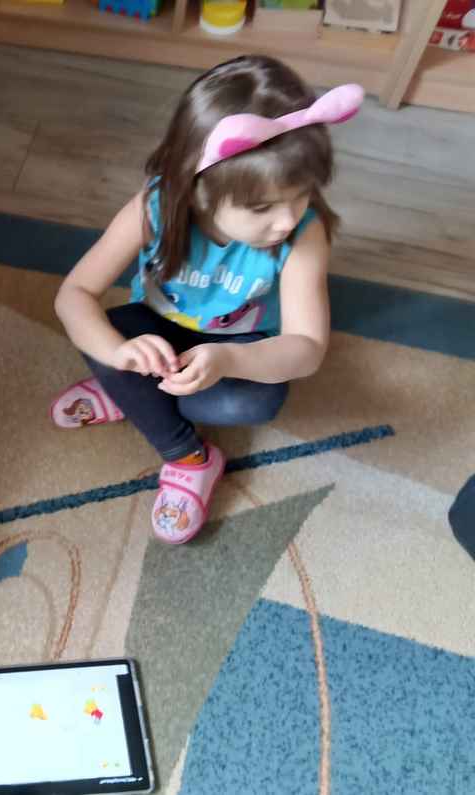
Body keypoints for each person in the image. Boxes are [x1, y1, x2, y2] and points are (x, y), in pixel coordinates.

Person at [52, 56, 364, 543]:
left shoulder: (304, 234)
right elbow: (74, 296)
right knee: (101, 335)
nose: (287, 220)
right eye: (262, 207)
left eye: (301, 194)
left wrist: (227, 359)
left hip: (238, 344)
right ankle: (188, 457)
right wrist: (119, 352)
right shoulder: (155, 206)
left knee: (251, 403)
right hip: (156, 329)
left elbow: (307, 349)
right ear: (198, 191)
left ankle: (133, 396)